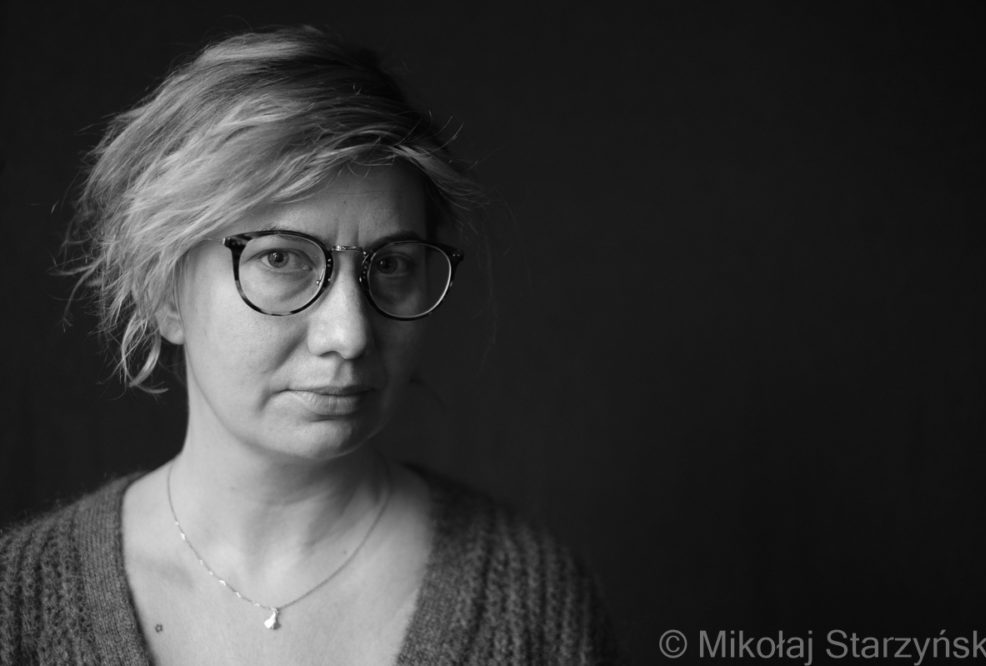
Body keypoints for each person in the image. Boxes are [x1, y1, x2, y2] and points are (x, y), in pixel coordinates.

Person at [0, 26, 618, 665]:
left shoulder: (535, 602)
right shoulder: (17, 605)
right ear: (165, 292)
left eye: (391, 264)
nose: (350, 335)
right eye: (281, 258)